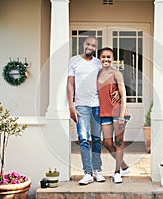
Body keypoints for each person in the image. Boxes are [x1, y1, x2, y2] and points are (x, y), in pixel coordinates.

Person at [67, 36, 106, 185]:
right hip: (81, 106)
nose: (90, 47)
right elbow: (70, 85)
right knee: (83, 138)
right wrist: (71, 106)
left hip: (97, 106)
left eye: (94, 45)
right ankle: (88, 173)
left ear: (96, 48)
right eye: (89, 44)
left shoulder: (98, 63)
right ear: (84, 44)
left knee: (96, 139)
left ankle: (97, 170)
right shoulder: (74, 61)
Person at [97, 47, 131, 183]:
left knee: (118, 142)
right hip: (104, 112)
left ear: (112, 59)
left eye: (108, 57)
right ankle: (124, 165)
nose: (106, 59)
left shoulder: (116, 73)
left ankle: (117, 172)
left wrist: (122, 115)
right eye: (103, 56)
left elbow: (123, 94)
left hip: (118, 112)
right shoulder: (97, 74)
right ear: (100, 59)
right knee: (107, 142)